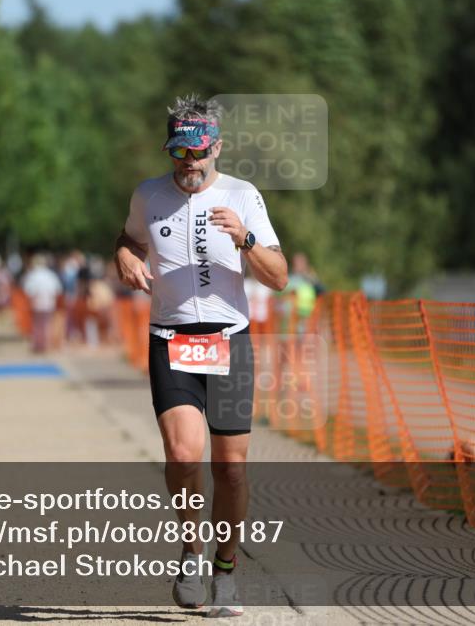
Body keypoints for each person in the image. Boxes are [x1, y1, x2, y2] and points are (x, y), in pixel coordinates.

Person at [114, 95, 287, 617]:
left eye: (199, 153)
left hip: (229, 341)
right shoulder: (148, 195)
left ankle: (226, 570)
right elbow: (129, 238)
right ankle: (191, 551)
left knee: (231, 470)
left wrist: (246, 237)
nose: (189, 163)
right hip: (171, 339)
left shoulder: (243, 194)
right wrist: (123, 253)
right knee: (183, 456)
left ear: (217, 148)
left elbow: (278, 277)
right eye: (179, 153)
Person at [22, 253, 62, 353]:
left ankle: (38, 344)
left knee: (37, 324)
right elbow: (58, 289)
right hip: (49, 303)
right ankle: (45, 344)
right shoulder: (50, 274)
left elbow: (28, 290)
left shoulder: (33, 274)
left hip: (37, 303)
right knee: (46, 324)